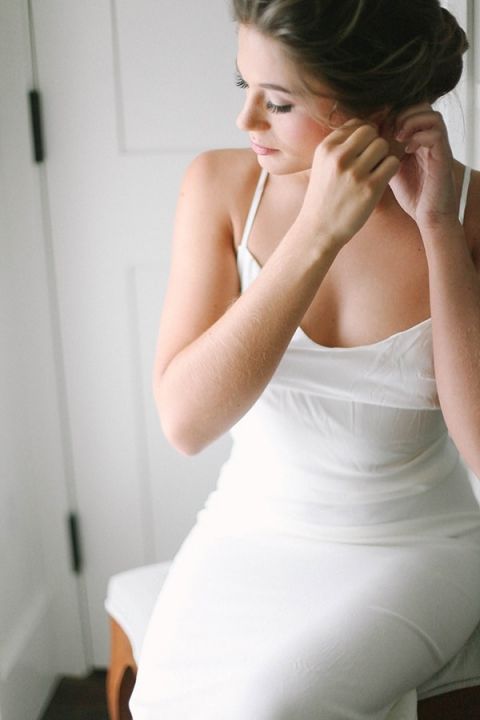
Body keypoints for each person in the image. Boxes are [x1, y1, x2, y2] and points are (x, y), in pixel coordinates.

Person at [130, 1, 480, 717]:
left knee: (279, 707)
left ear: (373, 106)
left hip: (418, 546)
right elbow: (186, 423)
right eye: (244, 88)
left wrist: (440, 231)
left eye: (279, 101)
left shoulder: (469, 211)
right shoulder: (220, 189)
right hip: (246, 528)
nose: (246, 120)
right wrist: (316, 233)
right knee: (164, 704)